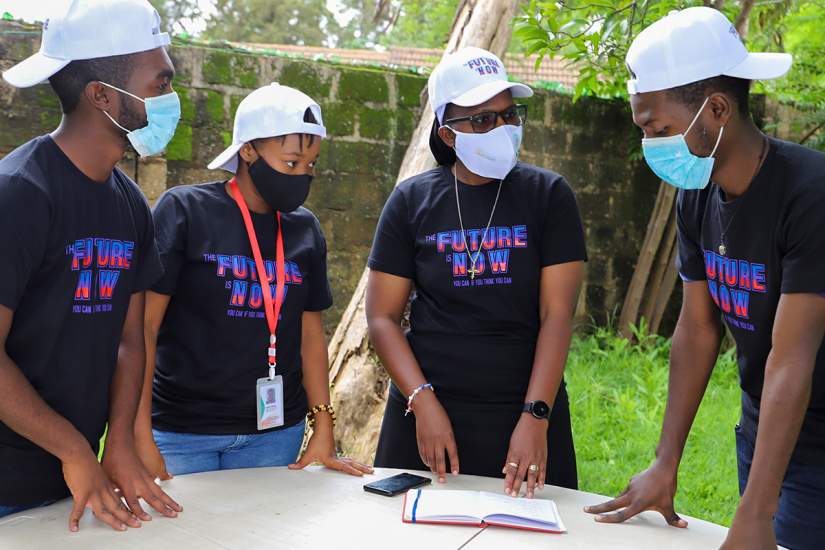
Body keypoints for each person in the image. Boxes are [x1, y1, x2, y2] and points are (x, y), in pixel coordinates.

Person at [584, 8, 825, 550]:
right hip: (765, 425)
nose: (651, 144)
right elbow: (697, 330)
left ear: (717, 109)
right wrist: (665, 462)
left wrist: (756, 511)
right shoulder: (696, 195)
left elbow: (792, 357)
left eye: (659, 128)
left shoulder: (810, 193)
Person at [366, 47, 587, 499]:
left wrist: (535, 416)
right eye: (483, 120)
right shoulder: (411, 202)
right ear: (448, 135)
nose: (503, 129)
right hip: (425, 412)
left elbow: (558, 315)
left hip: (524, 412)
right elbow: (382, 319)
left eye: (509, 115)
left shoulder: (549, 196)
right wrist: (423, 404)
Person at [0, 0, 183, 532]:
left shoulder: (130, 204)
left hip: (73, 480)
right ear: (101, 95)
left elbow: (130, 340)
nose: (171, 99)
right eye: (160, 83)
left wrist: (119, 441)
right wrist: (76, 449)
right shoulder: (20, 193)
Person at [135, 83, 373, 479]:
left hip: (275, 434)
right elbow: (144, 327)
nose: (303, 175)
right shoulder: (186, 211)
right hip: (181, 433)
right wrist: (137, 433)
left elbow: (311, 335)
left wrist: (323, 426)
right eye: (292, 163)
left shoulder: (305, 229)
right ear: (248, 151)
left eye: (311, 165)